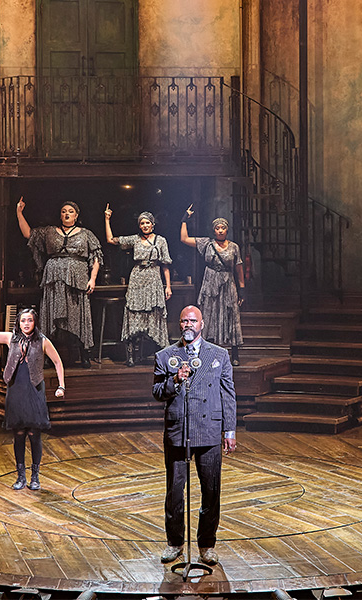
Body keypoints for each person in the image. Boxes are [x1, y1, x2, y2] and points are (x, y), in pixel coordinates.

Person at [152, 306, 236, 566]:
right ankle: (175, 542)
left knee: (211, 490)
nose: (188, 325)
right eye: (183, 321)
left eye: (192, 321)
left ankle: (206, 545)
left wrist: (229, 430)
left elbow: (228, 394)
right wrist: (175, 380)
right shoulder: (166, 356)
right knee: (175, 492)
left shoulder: (219, 355)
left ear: (202, 324)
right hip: (179, 432)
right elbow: (157, 392)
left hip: (209, 430)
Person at [0, 293, 66, 491]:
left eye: (30, 320)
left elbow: (57, 361)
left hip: (34, 389)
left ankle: (35, 476)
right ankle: (21, 476)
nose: (26, 324)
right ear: (18, 322)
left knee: (34, 433)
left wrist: (61, 386)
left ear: (35, 322)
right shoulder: (11, 338)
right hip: (16, 388)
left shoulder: (42, 341)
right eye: (23, 320)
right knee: (18, 433)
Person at [18, 197, 103, 368]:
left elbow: (96, 257)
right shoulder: (49, 231)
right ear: (60, 215)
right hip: (54, 279)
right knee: (51, 316)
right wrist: (19, 212)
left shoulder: (86, 234)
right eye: (64, 211)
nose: (67, 214)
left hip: (76, 281)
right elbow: (29, 234)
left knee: (77, 315)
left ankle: (84, 354)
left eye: (70, 211)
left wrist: (93, 279)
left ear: (76, 215)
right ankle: (47, 355)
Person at [105, 206, 172, 366]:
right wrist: (107, 219)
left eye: (147, 222)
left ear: (153, 224)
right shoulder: (135, 239)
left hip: (154, 278)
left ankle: (160, 355)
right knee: (133, 313)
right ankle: (130, 356)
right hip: (137, 278)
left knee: (155, 314)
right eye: (142, 223)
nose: (145, 225)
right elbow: (111, 240)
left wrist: (168, 286)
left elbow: (165, 265)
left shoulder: (161, 240)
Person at [179, 206, 245, 365]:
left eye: (223, 228)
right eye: (217, 228)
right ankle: (207, 353)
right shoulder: (207, 244)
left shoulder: (234, 247)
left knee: (231, 315)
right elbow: (184, 239)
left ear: (227, 230)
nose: (220, 230)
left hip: (228, 282)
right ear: (214, 230)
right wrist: (184, 220)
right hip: (210, 282)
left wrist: (242, 289)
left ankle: (234, 354)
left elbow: (239, 268)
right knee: (209, 315)